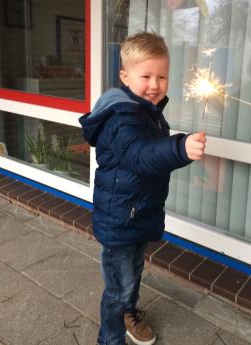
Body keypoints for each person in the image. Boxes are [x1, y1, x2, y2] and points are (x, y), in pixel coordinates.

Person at [79, 31, 206, 345]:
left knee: (132, 274)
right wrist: (179, 149)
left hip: (137, 213)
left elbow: (153, 156)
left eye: (162, 76)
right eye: (146, 75)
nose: (155, 84)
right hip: (120, 218)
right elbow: (139, 156)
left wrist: (181, 154)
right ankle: (110, 338)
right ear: (125, 76)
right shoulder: (122, 116)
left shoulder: (147, 111)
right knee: (118, 287)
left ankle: (129, 312)